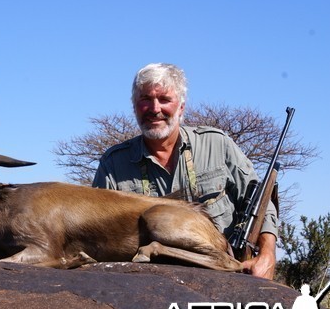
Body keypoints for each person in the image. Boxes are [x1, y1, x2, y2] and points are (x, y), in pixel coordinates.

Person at [92, 63, 277, 280]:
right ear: (134, 107)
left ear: (181, 107)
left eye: (164, 99)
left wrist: (267, 254)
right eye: (145, 99)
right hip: (148, 280)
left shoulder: (217, 144)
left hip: (226, 271)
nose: (154, 109)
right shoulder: (113, 163)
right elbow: (99, 233)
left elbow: (261, 206)